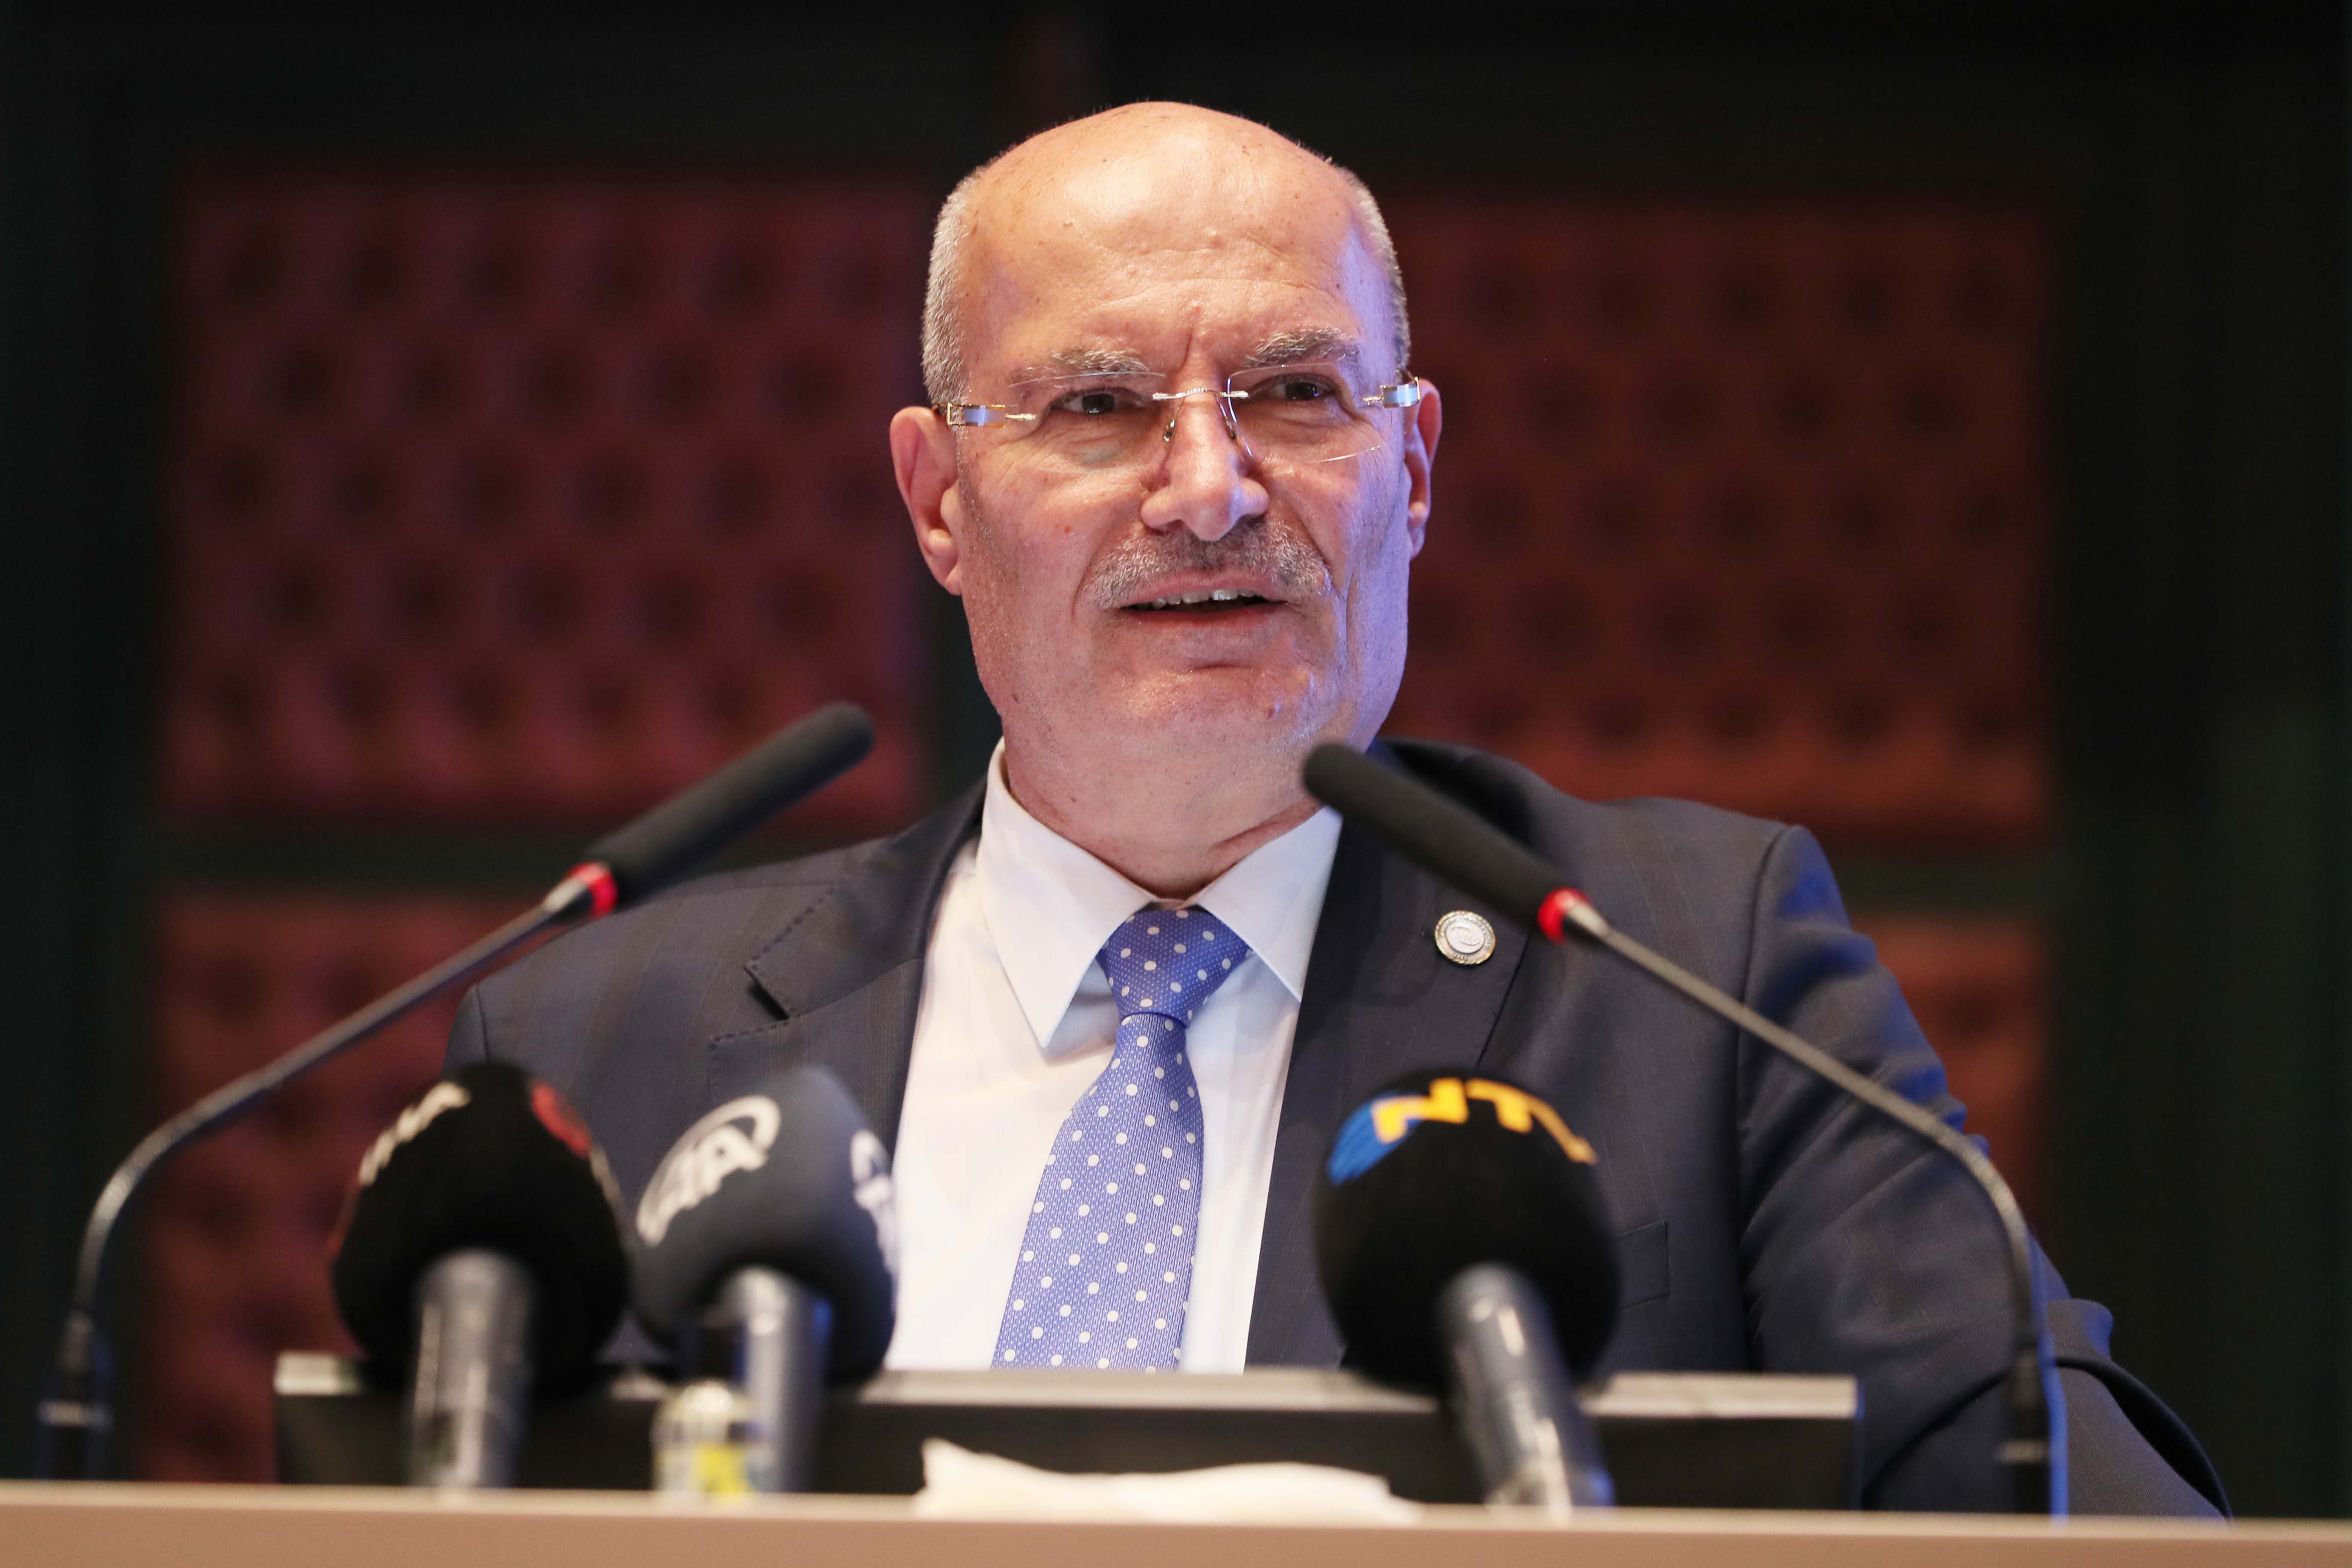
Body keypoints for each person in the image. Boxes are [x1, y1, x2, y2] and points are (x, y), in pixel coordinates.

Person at [447, 102, 2223, 1513]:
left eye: (1295, 395)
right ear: (938, 500)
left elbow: (2067, 1502)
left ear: (1413, 468)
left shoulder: (1698, 977)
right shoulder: (603, 1038)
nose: (1210, 489)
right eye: (1098, 407)